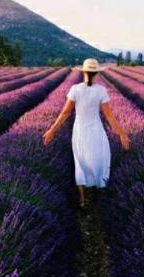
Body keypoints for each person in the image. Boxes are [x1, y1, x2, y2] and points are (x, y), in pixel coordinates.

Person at [43, 58, 129, 206]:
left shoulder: (75, 89)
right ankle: (95, 194)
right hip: (96, 130)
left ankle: (82, 200)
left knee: (80, 162)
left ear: (83, 72)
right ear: (96, 73)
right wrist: (122, 134)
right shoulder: (101, 90)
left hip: (80, 130)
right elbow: (109, 116)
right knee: (97, 161)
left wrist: (52, 130)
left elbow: (65, 113)